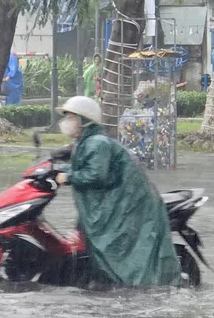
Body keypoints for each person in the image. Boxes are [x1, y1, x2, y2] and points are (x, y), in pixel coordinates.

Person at [54, 96, 181, 287]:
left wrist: (68, 177)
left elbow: (96, 175)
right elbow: (83, 160)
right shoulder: (87, 141)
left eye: (71, 118)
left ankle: (137, 287)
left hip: (128, 205)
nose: (67, 123)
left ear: (85, 120)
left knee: (122, 250)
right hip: (119, 202)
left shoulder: (97, 143)